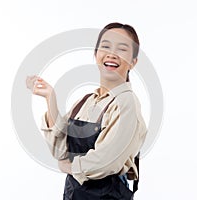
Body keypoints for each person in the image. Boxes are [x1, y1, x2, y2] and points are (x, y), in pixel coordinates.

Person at [26, 22, 147, 200]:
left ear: (133, 62)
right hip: (74, 193)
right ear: (96, 54)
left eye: (122, 49)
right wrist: (50, 99)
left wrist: (70, 167)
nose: (112, 54)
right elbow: (60, 152)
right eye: (105, 46)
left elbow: (106, 161)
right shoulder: (85, 101)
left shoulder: (126, 102)